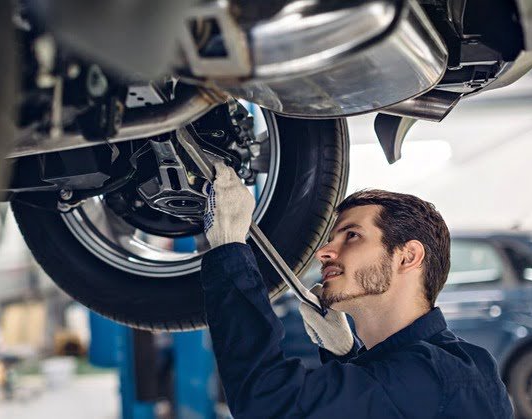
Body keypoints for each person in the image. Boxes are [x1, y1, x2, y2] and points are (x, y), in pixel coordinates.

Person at [201, 163, 513, 418]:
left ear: (408, 257)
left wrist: (229, 247)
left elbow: (266, 400)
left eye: (352, 236)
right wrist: (345, 355)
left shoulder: (434, 375)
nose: (323, 252)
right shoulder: (458, 363)